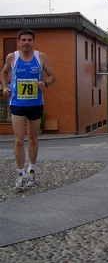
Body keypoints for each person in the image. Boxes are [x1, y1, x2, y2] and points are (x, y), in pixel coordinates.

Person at [1, 28, 56, 190]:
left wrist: (45, 83)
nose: (26, 43)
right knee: (18, 140)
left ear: (33, 41)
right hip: (17, 103)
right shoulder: (12, 57)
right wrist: (4, 87)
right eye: (23, 40)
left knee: (33, 139)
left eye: (29, 40)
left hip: (35, 103)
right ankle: (20, 174)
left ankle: (31, 171)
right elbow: (4, 72)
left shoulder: (41, 57)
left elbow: (52, 76)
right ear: (18, 42)